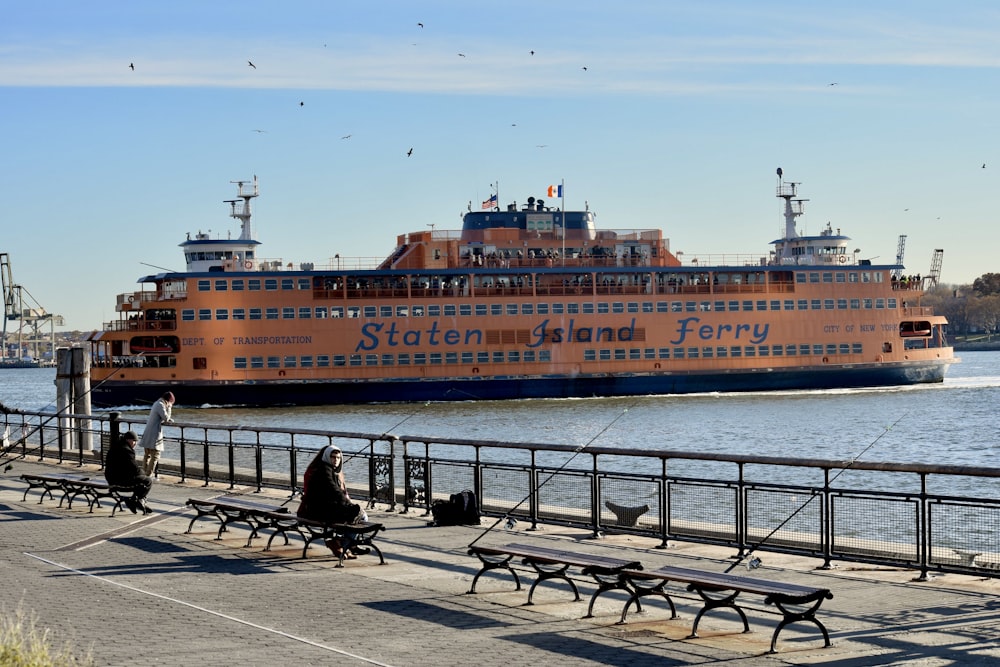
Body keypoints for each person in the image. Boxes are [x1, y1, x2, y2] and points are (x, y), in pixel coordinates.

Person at [296, 445, 365, 558]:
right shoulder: (324, 471)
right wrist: (348, 504)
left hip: (320, 508)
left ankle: (347, 544)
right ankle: (345, 545)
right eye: (333, 457)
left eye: (338, 458)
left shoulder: (324, 469)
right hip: (318, 510)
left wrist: (347, 503)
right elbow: (334, 491)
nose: (335, 460)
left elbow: (337, 492)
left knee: (356, 514)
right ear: (326, 457)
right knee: (360, 516)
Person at [104, 430, 152, 514]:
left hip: (111, 479)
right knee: (147, 481)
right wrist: (143, 473)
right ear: (127, 440)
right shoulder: (127, 450)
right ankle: (136, 501)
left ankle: (135, 501)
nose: (135, 443)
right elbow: (134, 468)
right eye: (134, 441)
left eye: (136, 441)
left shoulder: (116, 446)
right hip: (120, 481)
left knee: (140, 480)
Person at [140, 391, 174, 477]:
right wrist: (169, 408)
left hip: (148, 432)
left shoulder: (156, 403)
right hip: (154, 433)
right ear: (168, 400)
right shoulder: (160, 405)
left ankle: (143, 473)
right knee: (155, 455)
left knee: (147, 454)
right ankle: (147, 475)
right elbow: (166, 418)